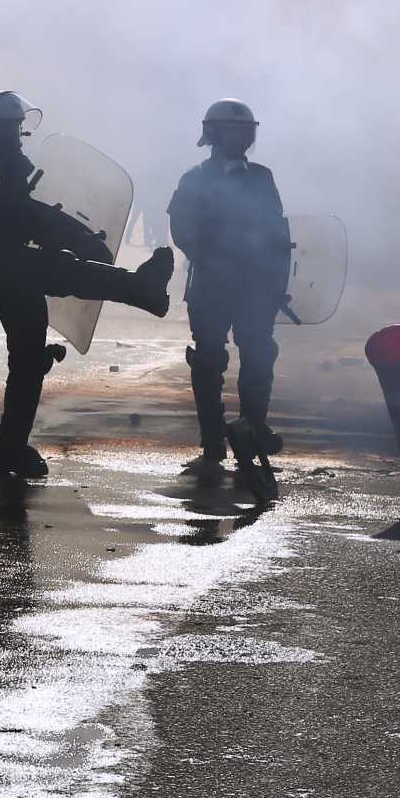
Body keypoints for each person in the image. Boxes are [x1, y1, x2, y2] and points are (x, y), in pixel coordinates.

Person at [0, 90, 175, 481]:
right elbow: (19, 216)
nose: (15, 135)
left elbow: (28, 214)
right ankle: (138, 288)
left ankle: (9, 451)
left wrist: (77, 235)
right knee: (58, 269)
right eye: (6, 128)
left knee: (28, 359)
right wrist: (74, 236)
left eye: (16, 127)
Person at [167, 98, 292, 501]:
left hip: (255, 285)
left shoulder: (262, 177)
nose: (241, 138)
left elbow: (277, 232)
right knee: (208, 358)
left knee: (259, 354)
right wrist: (216, 260)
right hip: (211, 285)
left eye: (245, 131)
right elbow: (182, 230)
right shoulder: (194, 179)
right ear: (214, 134)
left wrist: (275, 281)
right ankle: (211, 439)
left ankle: (253, 428)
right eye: (233, 131)